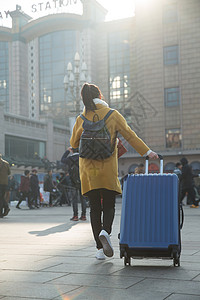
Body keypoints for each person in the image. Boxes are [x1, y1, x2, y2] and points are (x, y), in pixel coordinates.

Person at [70, 83, 158, 260]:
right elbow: (130, 135)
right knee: (109, 204)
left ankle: (100, 250)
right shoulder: (112, 114)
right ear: (100, 96)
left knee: (94, 208)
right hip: (107, 169)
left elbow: (73, 143)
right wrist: (147, 152)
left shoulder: (81, 117)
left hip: (88, 170)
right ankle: (106, 232)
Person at [61, 148, 87, 221]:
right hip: (82, 181)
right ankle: (83, 215)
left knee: (74, 199)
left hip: (73, 182)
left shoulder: (69, 159)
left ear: (72, 151)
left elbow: (62, 159)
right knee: (83, 199)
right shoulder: (82, 158)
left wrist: (67, 151)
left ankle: (75, 216)